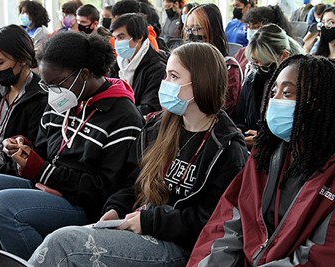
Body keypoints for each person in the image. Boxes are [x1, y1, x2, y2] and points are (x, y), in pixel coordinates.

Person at [29, 42, 248, 267]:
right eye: (165, 75)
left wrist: (150, 221)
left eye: (173, 76)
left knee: (64, 244)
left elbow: (212, 220)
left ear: (202, 82)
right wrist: (115, 209)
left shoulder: (226, 148)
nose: (165, 84)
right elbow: (132, 182)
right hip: (141, 226)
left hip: (181, 246)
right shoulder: (158, 127)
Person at [0, 31, 144, 260]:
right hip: (45, 184)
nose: (51, 92)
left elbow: (104, 188)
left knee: (2, 206)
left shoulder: (122, 116)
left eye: (56, 84)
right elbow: (42, 149)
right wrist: (22, 147)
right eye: (46, 84)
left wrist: (41, 169)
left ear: (85, 74)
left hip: (82, 203)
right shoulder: (64, 100)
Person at [187, 54, 335, 267]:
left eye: (287, 93)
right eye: (273, 92)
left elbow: (319, 257)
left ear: (320, 102)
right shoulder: (264, 155)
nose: (275, 101)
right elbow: (228, 224)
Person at [233, 23, 304, 149]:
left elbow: (301, 129)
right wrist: (239, 130)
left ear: (284, 56)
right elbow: (240, 117)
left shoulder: (301, 85)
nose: (259, 68)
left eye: (264, 63)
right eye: (255, 63)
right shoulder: (253, 80)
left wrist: (266, 139)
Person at [183, 4, 243, 117]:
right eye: (188, 29)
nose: (191, 34)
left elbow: (225, 109)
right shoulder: (183, 63)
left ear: (212, 30)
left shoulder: (228, 68)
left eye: (197, 29)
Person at [110, 13, 166, 116]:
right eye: (115, 38)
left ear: (139, 37)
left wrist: (116, 116)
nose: (117, 42)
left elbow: (149, 107)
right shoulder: (117, 64)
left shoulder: (157, 69)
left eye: (121, 37)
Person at [234, 4, 292, 74]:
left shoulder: (288, 62)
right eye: (248, 25)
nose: (250, 29)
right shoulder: (243, 52)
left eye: (255, 25)